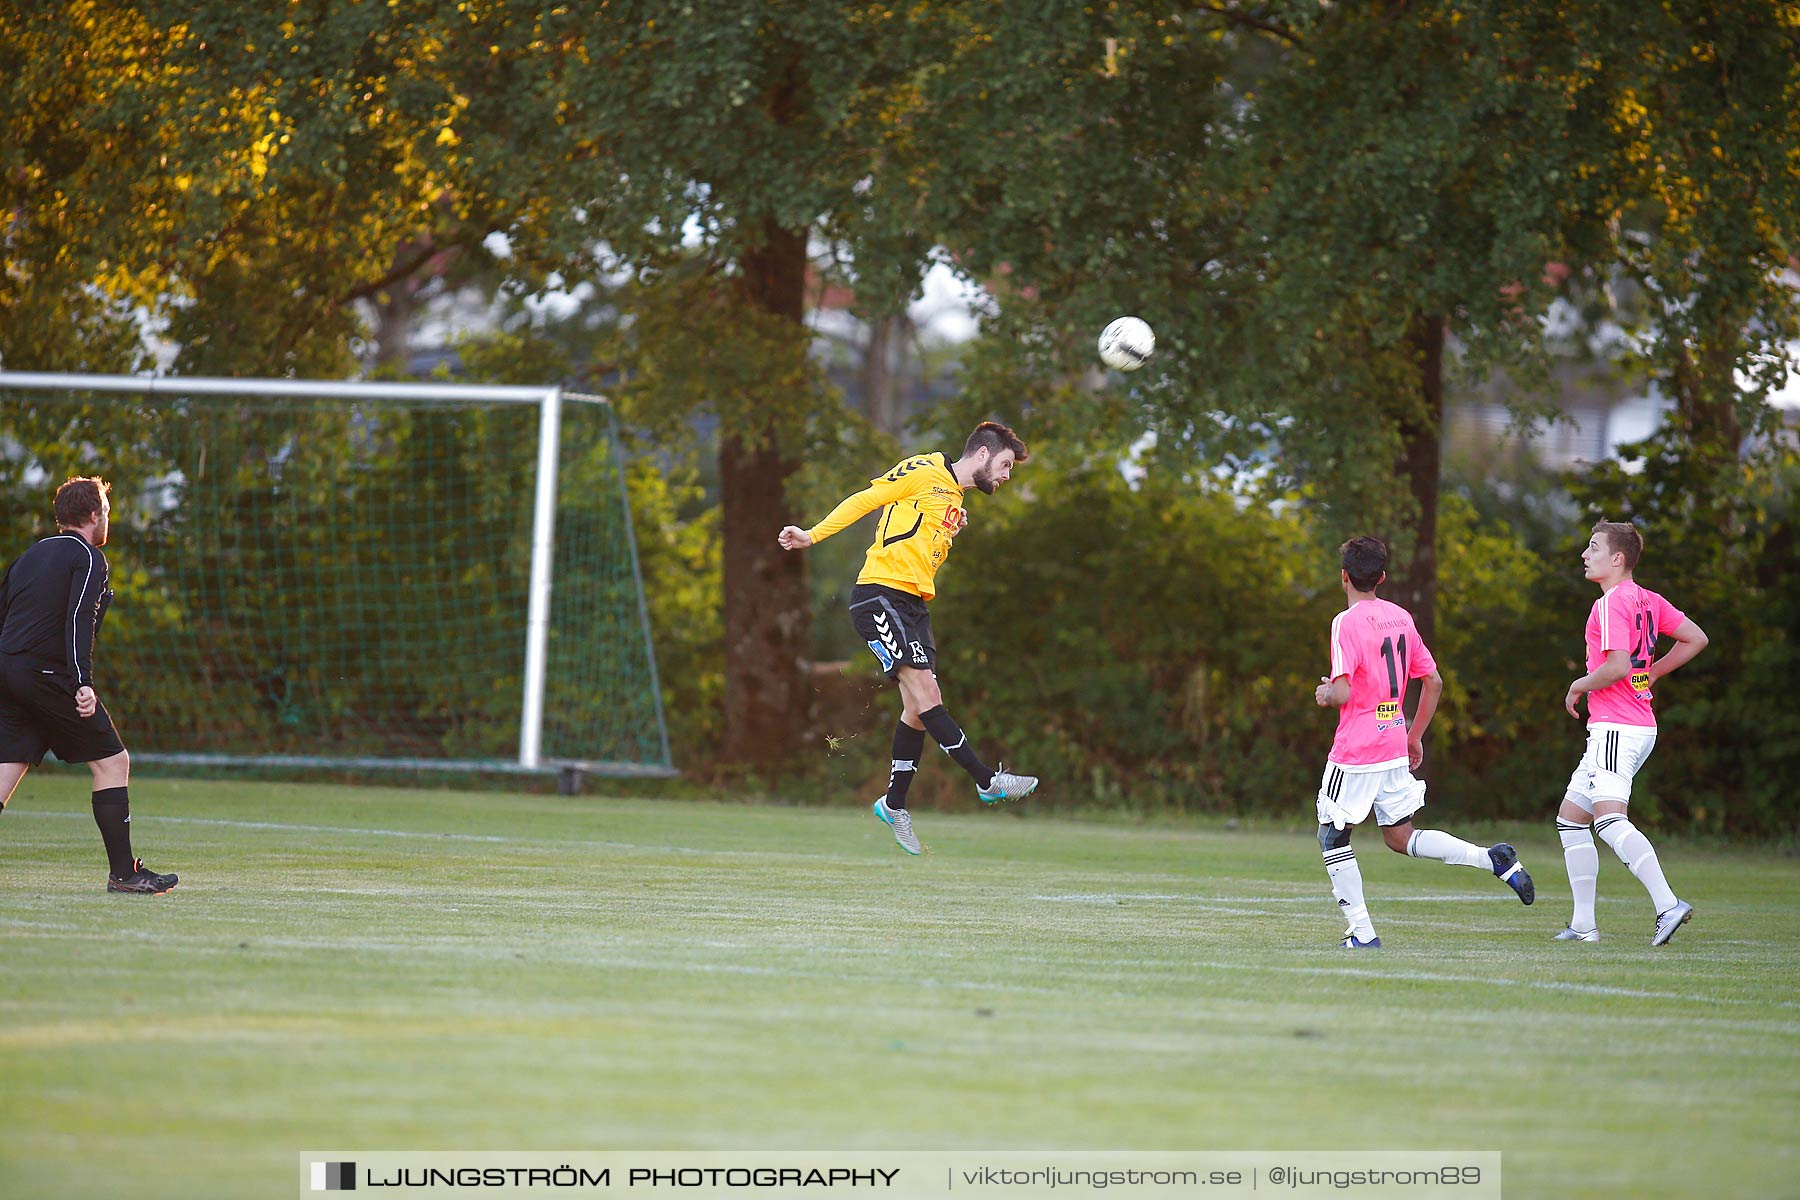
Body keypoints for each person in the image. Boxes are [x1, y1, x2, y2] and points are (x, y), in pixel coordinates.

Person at [778, 421, 1039, 854]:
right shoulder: (924, 469)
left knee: (918, 710)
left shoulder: (954, 500)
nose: (1007, 476)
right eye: (1006, 465)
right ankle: (987, 780)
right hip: (879, 595)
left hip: (915, 606)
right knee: (925, 689)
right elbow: (868, 499)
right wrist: (813, 534)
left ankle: (893, 804)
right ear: (981, 454)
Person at [1312, 536, 1533, 948]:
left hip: (1358, 750)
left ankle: (1362, 933)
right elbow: (1433, 681)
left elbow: (1341, 693)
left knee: (1332, 836)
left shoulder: (1345, 622)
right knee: (1400, 836)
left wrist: (1325, 694)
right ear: (1381, 577)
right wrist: (1413, 737)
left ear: (1344, 577)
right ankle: (1493, 858)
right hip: (1393, 742)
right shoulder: (1400, 617)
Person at [0, 476, 178, 894]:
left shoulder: (32, 553)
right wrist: (82, 682)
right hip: (48, 676)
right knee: (113, 762)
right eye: (108, 514)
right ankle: (124, 873)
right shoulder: (88, 556)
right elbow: (77, 620)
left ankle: (125, 872)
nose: (107, 522)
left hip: (11, 671)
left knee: (7, 768)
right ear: (95, 516)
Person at [1554, 520, 1706, 946]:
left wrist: (1577, 684)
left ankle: (1667, 904)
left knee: (1608, 821)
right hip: (1635, 725)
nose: (1585, 555)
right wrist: (1653, 672)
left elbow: (1619, 666)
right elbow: (1696, 638)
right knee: (1570, 820)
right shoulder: (1648, 600)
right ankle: (1584, 925)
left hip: (1617, 727)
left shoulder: (1608, 604)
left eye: (1593, 547)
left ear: (1617, 558)